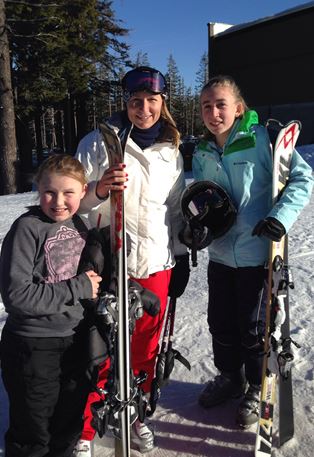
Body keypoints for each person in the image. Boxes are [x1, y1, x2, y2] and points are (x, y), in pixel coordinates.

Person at [74, 66, 190, 454]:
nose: (144, 109)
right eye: (136, 101)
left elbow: (173, 209)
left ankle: (134, 414)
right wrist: (98, 189)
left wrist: (180, 256)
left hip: (154, 262)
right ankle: (86, 429)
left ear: (163, 103)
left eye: (152, 101)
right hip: (110, 261)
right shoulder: (97, 142)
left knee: (144, 349)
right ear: (125, 102)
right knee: (100, 346)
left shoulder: (171, 149)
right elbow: (76, 203)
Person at [189, 75, 313, 428]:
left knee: (253, 327)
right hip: (220, 254)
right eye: (206, 106)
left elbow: (303, 180)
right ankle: (231, 378)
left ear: (238, 108)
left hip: (257, 255)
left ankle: (257, 388)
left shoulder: (263, 140)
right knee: (220, 323)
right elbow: (203, 197)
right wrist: (197, 224)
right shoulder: (202, 150)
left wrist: (280, 218)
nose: (213, 112)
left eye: (221, 104)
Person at [0, 155, 102, 457]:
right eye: (49, 192)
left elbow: (93, 279)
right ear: (37, 190)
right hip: (32, 345)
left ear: (82, 192)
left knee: (67, 423)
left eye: (68, 193)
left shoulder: (80, 224)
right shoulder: (26, 229)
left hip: (74, 341)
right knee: (33, 428)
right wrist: (78, 287)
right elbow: (17, 296)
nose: (58, 201)